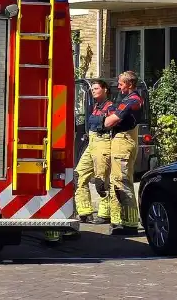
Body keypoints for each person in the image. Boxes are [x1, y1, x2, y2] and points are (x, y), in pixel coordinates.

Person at [102, 70, 144, 235]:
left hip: (123, 142)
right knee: (118, 180)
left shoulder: (131, 101)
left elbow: (109, 121)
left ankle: (130, 223)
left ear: (130, 84)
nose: (119, 88)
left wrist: (107, 118)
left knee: (122, 181)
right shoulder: (130, 99)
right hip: (123, 141)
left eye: (121, 84)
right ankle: (121, 220)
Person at [75, 79, 113, 224]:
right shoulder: (96, 106)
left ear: (105, 90)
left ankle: (105, 214)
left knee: (101, 180)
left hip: (103, 143)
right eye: (92, 89)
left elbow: (111, 124)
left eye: (96, 88)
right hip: (92, 142)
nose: (93, 90)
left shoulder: (110, 107)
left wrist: (101, 121)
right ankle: (84, 212)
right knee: (79, 174)